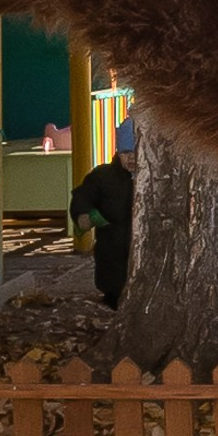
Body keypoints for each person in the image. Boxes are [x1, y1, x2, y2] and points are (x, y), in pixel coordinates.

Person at [68, 107, 136, 305]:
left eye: (135, 152)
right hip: (112, 254)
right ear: (118, 152)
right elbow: (83, 197)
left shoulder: (153, 180)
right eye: (126, 152)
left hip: (142, 255)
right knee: (114, 296)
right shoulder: (104, 177)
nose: (131, 158)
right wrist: (84, 215)